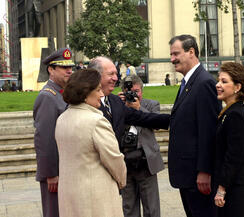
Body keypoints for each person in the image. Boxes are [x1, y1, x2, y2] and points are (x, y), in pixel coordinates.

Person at [55, 68, 126, 217]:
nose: (101, 95)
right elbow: (114, 159)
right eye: (98, 90)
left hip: (69, 195)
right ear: (85, 93)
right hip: (96, 198)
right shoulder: (96, 121)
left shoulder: (62, 119)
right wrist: (122, 181)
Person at [168, 35, 221, 217]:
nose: (172, 59)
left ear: (191, 52)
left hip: (197, 177)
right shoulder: (189, 83)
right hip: (187, 176)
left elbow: (209, 131)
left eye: (176, 53)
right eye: (171, 54)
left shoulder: (204, 83)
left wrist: (204, 171)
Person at [88, 56, 170, 147]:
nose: (115, 78)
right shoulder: (84, 103)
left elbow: (142, 118)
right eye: (111, 74)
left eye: (116, 74)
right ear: (95, 75)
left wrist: (174, 119)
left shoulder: (115, 101)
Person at [33, 47, 74, 217]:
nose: (70, 71)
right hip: (55, 173)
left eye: (70, 67)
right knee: (54, 212)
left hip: (65, 168)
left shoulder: (61, 94)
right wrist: (50, 174)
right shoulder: (48, 96)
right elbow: (45, 140)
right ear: (51, 69)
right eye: (64, 68)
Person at [119, 75, 164, 217]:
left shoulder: (151, 105)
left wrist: (139, 108)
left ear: (142, 91)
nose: (133, 95)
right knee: (129, 207)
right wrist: (120, 107)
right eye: (129, 91)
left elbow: (156, 123)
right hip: (125, 162)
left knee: (151, 208)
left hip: (146, 162)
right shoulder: (117, 105)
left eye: (136, 91)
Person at [214, 62, 244, 217]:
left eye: (224, 81)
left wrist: (221, 189)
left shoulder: (235, 115)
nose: (218, 84)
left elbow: (234, 157)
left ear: (237, 87)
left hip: (235, 188)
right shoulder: (228, 112)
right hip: (231, 186)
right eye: (218, 80)